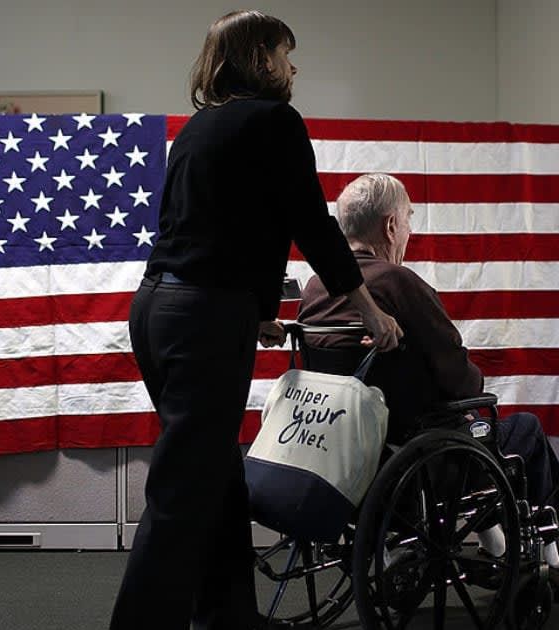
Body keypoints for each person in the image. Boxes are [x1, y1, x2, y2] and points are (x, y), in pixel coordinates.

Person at [109, 12, 403, 630]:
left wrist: (257, 307)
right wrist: (369, 309)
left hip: (158, 309)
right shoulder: (276, 121)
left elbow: (217, 224)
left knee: (217, 474)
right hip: (203, 317)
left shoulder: (199, 127)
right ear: (260, 58)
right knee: (184, 487)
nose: (293, 67)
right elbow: (310, 225)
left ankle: (229, 617)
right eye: (284, 53)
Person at [298, 173, 559, 584]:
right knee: (521, 428)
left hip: (347, 456)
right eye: (408, 219)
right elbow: (462, 380)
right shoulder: (398, 283)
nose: (410, 230)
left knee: (467, 429)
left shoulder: (316, 289)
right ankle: (552, 555)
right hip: (421, 464)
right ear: (390, 226)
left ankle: (495, 543)